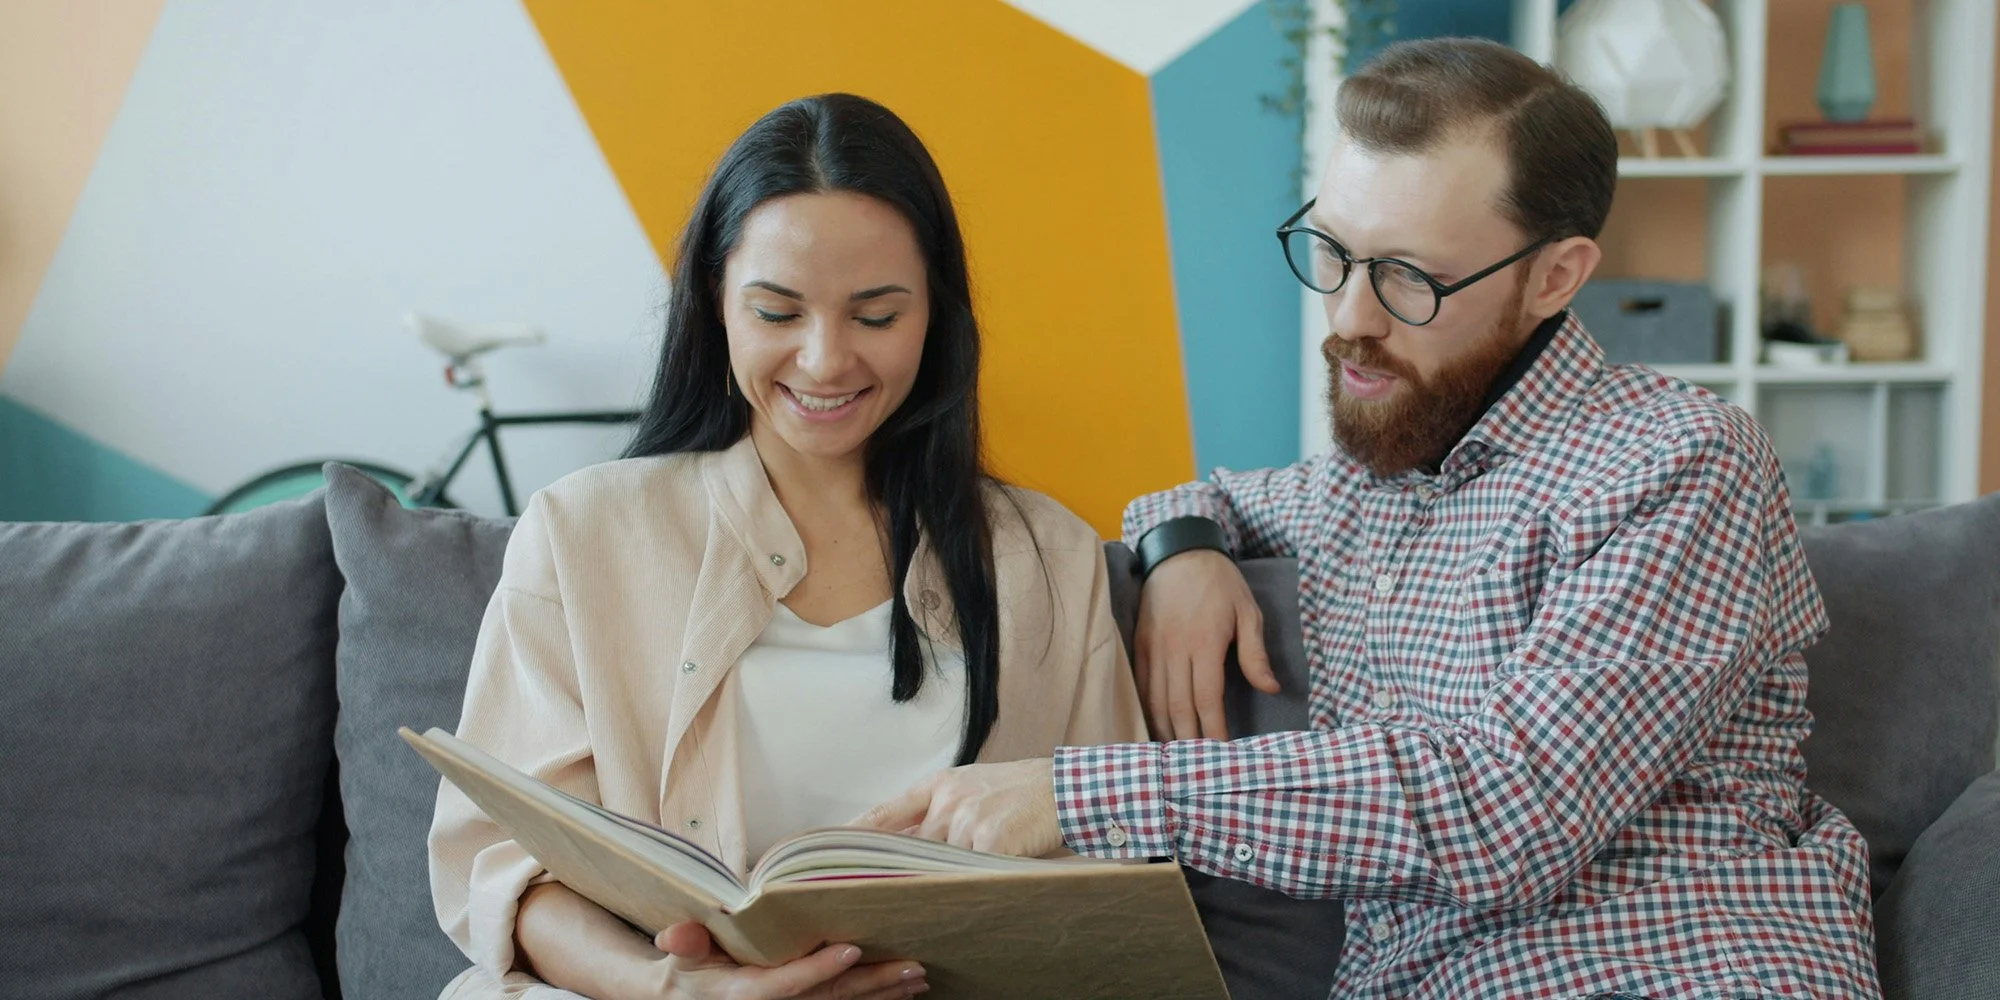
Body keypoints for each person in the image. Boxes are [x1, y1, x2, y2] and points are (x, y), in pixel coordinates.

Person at [859, 38, 1881, 998]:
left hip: (1675, 964)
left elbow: (1509, 810)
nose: (1349, 317)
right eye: (1333, 252)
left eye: (1406, 277)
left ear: (1555, 277)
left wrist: (1075, 797)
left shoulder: (1678, 460)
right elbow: (1213, 495)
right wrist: (1183, 549)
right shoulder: (1362, 482)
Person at [427, 92, 1147, 1000]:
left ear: (936, 314)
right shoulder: (583, 533)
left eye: (876, 317)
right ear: (716, 305)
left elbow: (1118, 869)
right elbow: (509, 865)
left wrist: (1190, 549)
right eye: (777, 313)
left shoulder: (1047, 558)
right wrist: (677, 991)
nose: (825, 360)